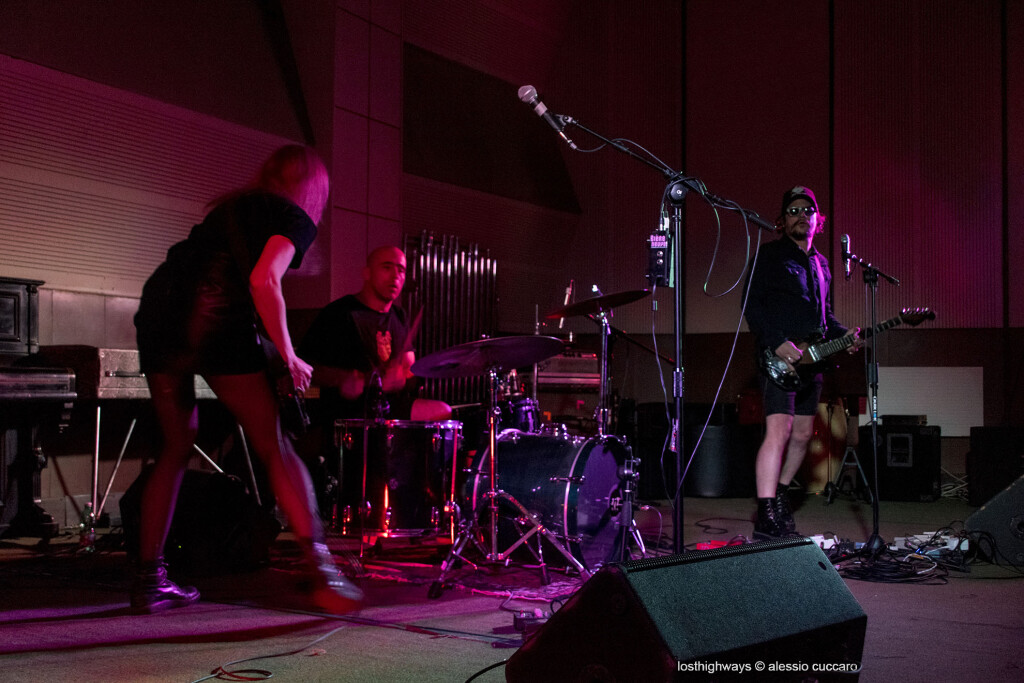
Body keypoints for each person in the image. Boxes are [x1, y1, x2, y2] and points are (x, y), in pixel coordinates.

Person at [132, 145, 363, 615]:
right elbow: (264, 281)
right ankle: (323, 573)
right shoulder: (294, 217)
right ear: (314, 189)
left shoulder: (233, 208)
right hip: (217, 318)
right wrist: (291, 354)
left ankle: (148, 580)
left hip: (160, 311)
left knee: (176, 444)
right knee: (273, 444)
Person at [742, 185, 860, 540]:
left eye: (807, 210)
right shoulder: (769, 256)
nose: (800, 215)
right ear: (782, 221)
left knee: (804, 434)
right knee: (779, 431)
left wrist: (845, 336)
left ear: (818, 221)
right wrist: (777, 343)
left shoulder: (822, 264)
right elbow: (753, 306)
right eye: (793, 210)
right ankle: (765, 510)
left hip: (814, 363)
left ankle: (778, 495)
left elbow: (825, 318)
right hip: (778, 360)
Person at [299, 245, 451, 423]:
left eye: (401, 270)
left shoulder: (400, 316)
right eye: (387, 267)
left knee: (442, 411)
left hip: (390, 406)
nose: (395, 276)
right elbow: (304, 366)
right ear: (367, 273)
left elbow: (410, 368)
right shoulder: (340, 313)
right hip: (350, 411)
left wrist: (403, 377)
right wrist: (341, 379)